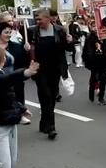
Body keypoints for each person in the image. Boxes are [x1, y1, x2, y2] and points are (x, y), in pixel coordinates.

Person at [27, 9, 72, 140]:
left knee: (52, 96)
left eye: (40, 19)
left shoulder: (60, 30)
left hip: (55, 68)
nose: (37, 21)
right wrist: (26, 48)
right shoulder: (31, 31)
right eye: (36, 19)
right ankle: (51, 127)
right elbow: (26, 48)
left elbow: (67, 49)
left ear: (48, 19)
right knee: (45, 95)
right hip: (40, 68)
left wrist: (69, 41)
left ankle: (43, 122)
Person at [83, 21, 106, 106]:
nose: (95, 28)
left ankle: (101, 97)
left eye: (97, 26)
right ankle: (91, 93)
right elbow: (87, 51)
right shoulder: (90, 37)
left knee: (104, 79)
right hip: (94, 62)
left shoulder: (105, 37)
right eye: (93, 26)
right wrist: (89, 60)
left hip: (103, 62)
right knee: (94, 78)